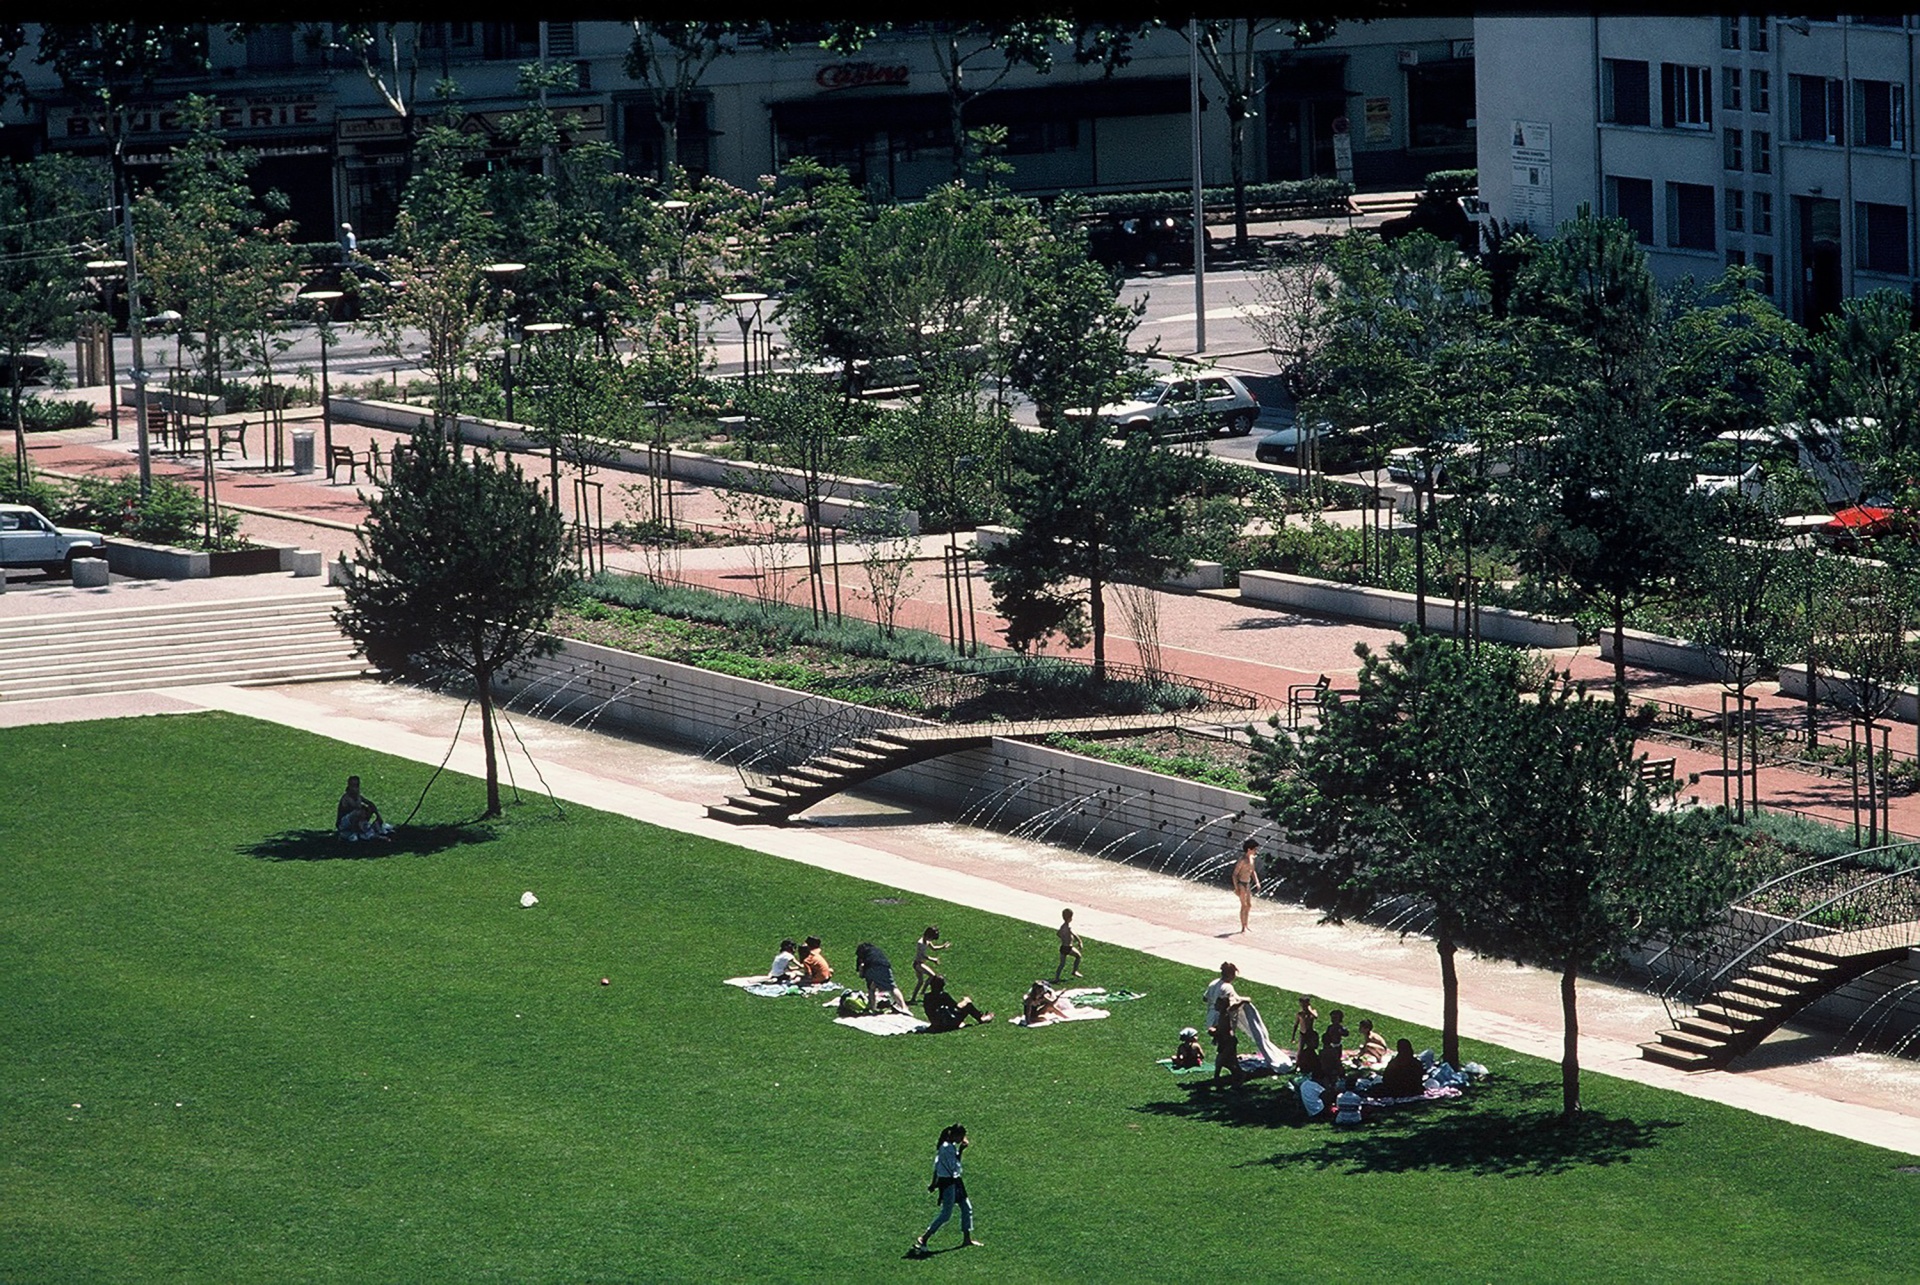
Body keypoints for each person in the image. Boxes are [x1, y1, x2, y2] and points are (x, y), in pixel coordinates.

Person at [910, 1124, 978, 1256]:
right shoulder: (947, 1148)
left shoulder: (947, 1147)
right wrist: (962, 1150)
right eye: (961, 1136)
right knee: (946, 1214)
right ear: (955, 1135)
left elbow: (938, 1165)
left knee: (966, 1207)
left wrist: (933, 1183)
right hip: (949, 1182)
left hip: (954, 1181)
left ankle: (967, 1239)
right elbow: (954, 1166)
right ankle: (924, 1238)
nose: (962, 1139)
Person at [921, 975, 993, 1032]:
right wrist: (965, 1001)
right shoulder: (943, 995)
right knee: (968, 1005)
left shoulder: (927, 997)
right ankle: (981, 1018)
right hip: (948, 1025)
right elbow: (956, 1007)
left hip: (936, 1025)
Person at [855, 941, 911, 1014]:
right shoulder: (876, 951)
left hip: (871, 968)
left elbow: (862, 966)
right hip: (884, 966)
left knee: (871, 989)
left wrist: (861, 974)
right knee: (892, 987)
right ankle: (903, 1007)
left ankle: (873, 1008)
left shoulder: (862, 955)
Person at [336, 775, 392, 841]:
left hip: (357, 820)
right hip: (344, 824)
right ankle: (357, 832)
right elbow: (353, 810)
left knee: (368, 808)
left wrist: (378, 816)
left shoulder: (358, 796)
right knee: (358, 813)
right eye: (353, 786)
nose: (355, 788)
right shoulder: (346, 798)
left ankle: (373, 828)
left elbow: (370, 804)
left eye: (357, 786)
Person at [908, 925, 948, 1003]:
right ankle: (923, 991)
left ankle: (913, 999)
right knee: (933, 975)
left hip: (920, 963)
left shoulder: (927, 941)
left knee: (920, 982)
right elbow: (922, 955)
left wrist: (943, 947)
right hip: (918, 964)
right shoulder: (920, 943)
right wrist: (933, 959)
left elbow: (933, 948)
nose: (931, 940)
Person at [1231, 837, 1263, 933]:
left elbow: (1253, 872)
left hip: (1247, 883)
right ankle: (1243, 927)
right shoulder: (1242, 860)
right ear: (1249, 850)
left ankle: (1246, 924)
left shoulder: (1252, 859)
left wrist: (1257, 882)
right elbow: (1234, 874)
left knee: (1249, 905)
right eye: (1254, 849)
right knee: (1243, 905)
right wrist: (1236, 888)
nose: (1256, 851)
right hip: (1241, 884)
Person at [1053, 908, 1083, 981]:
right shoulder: (1068, 927)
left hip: (1063, 947)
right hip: (1069, 947)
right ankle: (1074, 971)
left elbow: (1058, 933)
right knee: (1078, 956)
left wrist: (1063, 938)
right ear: (1070, 918)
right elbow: (1074, 934)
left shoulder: (1062, 926)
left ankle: (1056, 978)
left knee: (1062, 964)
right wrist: (1080, 942)